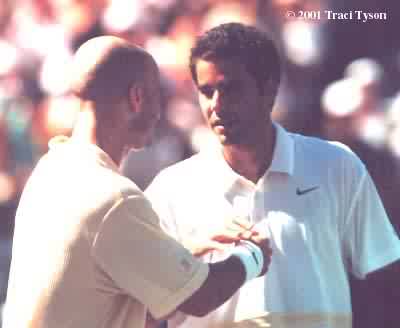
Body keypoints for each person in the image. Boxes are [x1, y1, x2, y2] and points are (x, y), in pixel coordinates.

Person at [2, 36, 273, 328]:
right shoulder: (114, 197)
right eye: (159, 96)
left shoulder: (50, 169)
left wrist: (180, 253)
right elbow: (200, 296)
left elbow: (100, 268)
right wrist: (253, 254)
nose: (160, 111)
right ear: (137, 98)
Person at [144, 23, 400, 328]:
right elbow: (142, 309)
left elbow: (384, 280)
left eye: (231, 88)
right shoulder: (170, 188)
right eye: (207, 91)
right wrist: (188, 255)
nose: (217, 105)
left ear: (269, 90)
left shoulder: (338, 166)